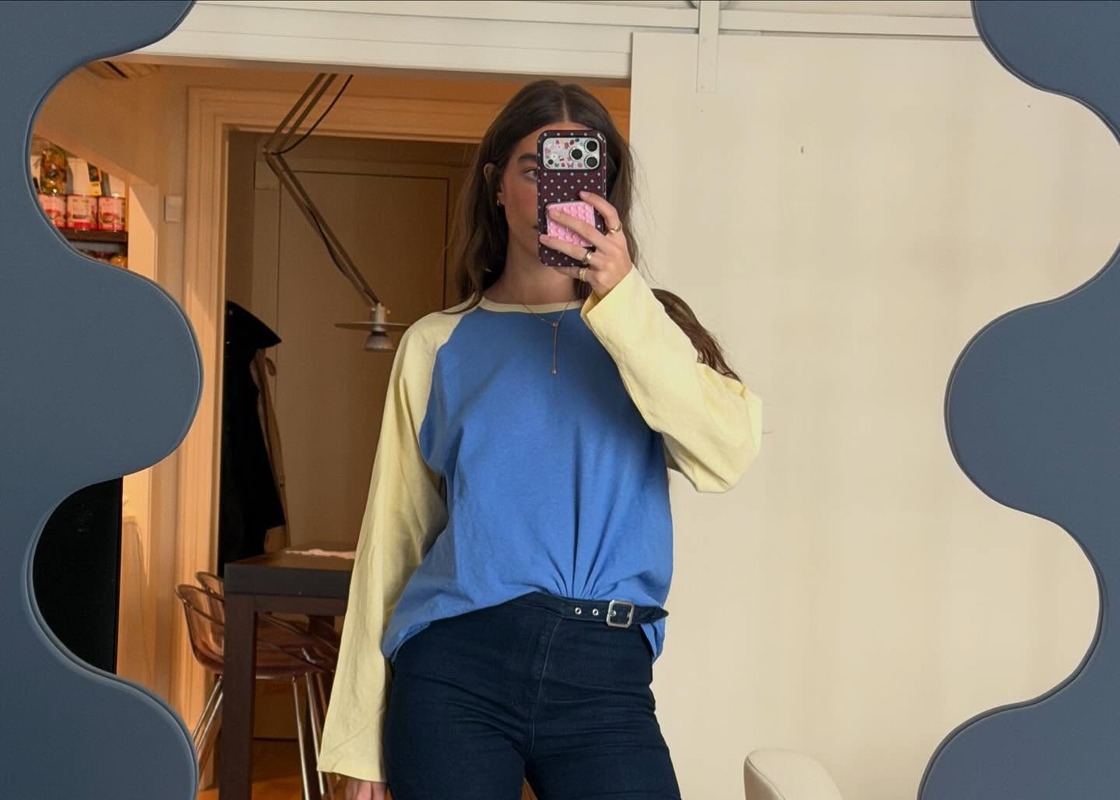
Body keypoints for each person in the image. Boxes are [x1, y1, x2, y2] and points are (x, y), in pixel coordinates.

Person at [317, 79, 763, 800]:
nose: (557, 191)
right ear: (497, 185)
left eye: (582, 168)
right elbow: (393, 539)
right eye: (535, 167)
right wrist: (359, 737)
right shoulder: (435, 344)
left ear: (605, 189)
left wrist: (624, 301)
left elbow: (727, 455)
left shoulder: (648, 330)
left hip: (605, 675)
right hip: (455, 667)